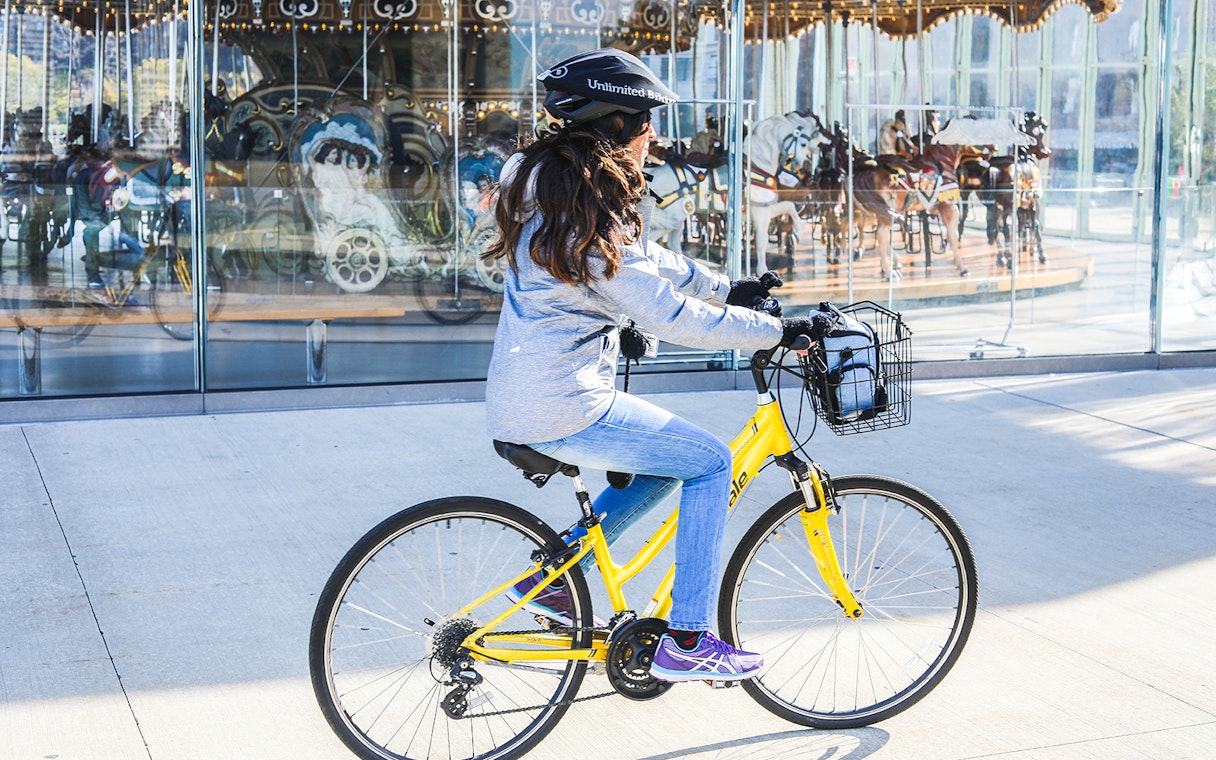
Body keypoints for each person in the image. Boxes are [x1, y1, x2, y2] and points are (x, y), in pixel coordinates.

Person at [481, 48, 825, 683]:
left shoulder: (555, 194)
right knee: (711, 461)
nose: (654, 137)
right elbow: (668, 314)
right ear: (613, 127)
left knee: (665, 468)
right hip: (564, 403)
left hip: (527, 394)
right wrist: (776, 331)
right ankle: (689, 639)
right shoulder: (582, 216)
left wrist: (731, 290)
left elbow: (650, 262)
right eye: (644, 123)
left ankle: (555, 582)